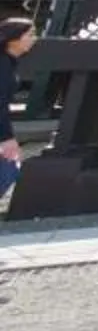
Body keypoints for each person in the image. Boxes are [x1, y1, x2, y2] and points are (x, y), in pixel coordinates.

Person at [1, 14, 35, 203]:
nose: (33, 39)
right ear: (13, 39)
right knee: (8, 169)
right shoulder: (4, 65)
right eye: (29, 35)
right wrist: (7, 138)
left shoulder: (8, 62)